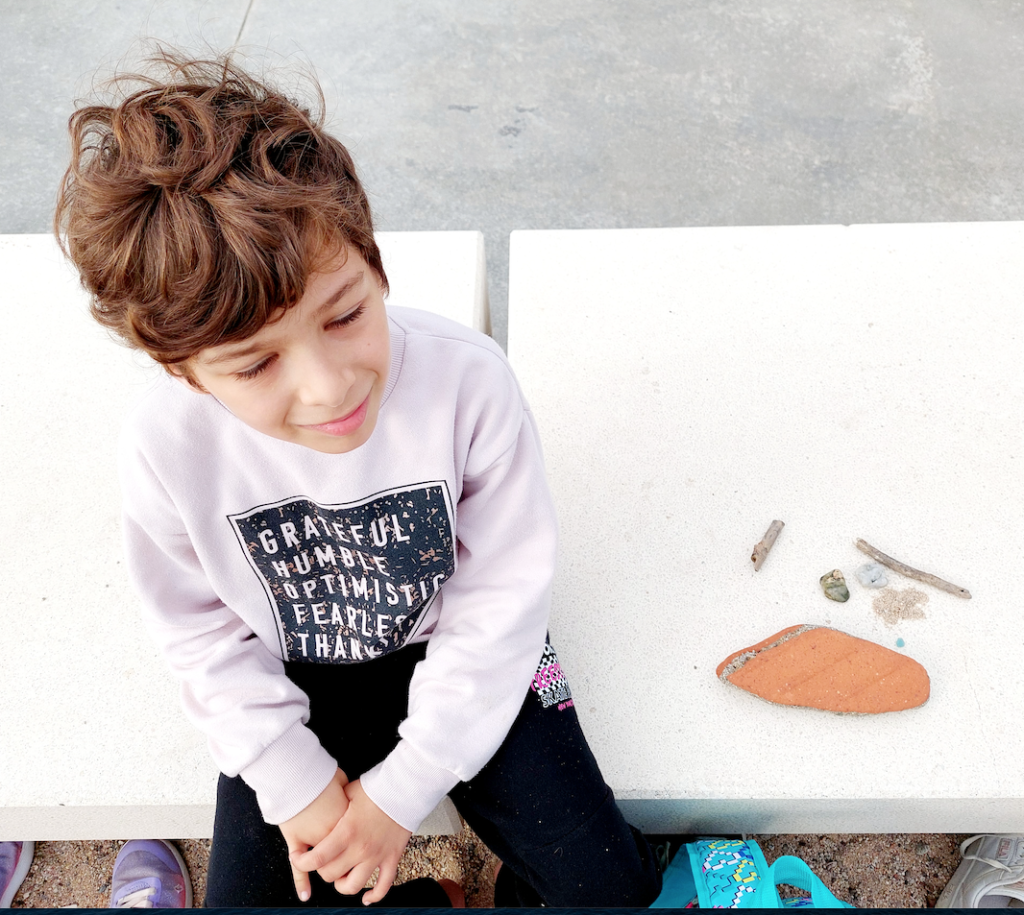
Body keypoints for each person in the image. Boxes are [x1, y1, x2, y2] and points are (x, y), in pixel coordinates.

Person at [54, 51, 661, 908]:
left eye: (344, 315)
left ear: (375, 263)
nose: (328, 387)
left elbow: (502, 600)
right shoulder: (166, 445)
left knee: (608, 886)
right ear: (182, 368)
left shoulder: (468, 384)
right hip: (296, 671)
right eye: (254, 364)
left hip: (463, 644)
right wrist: (295, 780)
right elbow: (199, 633)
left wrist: (398, 795)